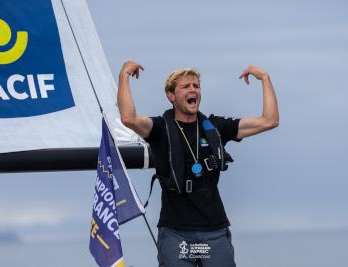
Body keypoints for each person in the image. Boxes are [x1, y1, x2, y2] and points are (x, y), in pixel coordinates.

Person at [117, 60, 279, 267]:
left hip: (214, 232)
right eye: (186, 86)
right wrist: (124, 75)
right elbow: (128, 118)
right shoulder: (160, 128)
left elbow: (270, 120)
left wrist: (265, 78)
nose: (193, 90)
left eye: (196, 86)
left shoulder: (215, 126)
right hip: (176, 233)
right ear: (171, 96)